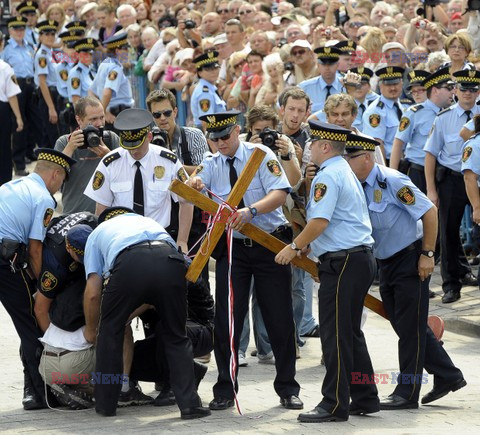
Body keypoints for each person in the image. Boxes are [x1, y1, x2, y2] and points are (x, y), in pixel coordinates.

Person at [187, 110, 303, 412]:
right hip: (232, 249)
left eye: (225, 137)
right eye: (214, 139)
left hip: (268, 245)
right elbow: (195, 183)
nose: (220, 143)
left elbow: (280, 193)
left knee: (279, 318)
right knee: (227, 319)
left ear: (237, 130)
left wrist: (250, 211)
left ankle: (288, 387)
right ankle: (225, 386)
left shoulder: (259, 154)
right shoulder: (212, 162)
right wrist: (196, 182)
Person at [345, 132, 467, 409]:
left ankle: (407, 393)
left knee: (410, 330)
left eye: (349, 157)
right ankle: (448, 375)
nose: (345, 162)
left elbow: (429, 212)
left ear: (366, 158)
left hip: (410, 259)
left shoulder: (393, 180)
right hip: (385, 262)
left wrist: (427, 254)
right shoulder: (355, 183)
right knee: (404, 325)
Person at [275, 121, 379, 423]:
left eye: (312, 143)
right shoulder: (341, 170)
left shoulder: (328, 175)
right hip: (355, 258)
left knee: (335, 336)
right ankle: (365, 395)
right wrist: (310, 246)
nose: (307, 148)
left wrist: (294, 247)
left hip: (345, 261)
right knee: (350, 333)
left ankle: (333, 403)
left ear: (324, 146)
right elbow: (330, 222)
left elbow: (319, 221)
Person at [83, 206, 211, 419]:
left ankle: (106, 404)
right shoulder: (148, 222)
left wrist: (92, 327)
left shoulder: (98, 233)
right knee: (177, 336)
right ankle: (190, 405)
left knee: (110, 332)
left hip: (130, 263)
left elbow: (93, 291)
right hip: (169, 260)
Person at [0, 148, 75, 410]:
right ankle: (41, 393)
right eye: (62, 181)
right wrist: (44, 286)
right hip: (5, 262)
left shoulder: (12, 185)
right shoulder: (43, 198)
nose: (59, 187)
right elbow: (35, 250)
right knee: (32, 322)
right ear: (55, 174)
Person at [83, 108, 193, 253]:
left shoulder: (168, 161)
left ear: (149, 137)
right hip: (121, 241)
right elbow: (101, 209)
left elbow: (186, 201)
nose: (134, 151)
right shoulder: (110, 163)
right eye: (129, 146)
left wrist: (182, 241)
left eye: (138, 146)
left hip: (158, 241)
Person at [424, 69, 480, 303]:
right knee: (447, 231)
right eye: (463, 89)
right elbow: (430, 154)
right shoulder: (444, 118)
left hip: (477, 179)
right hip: (452, 178)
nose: (468, 93)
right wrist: (431, 189)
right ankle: (451, 284)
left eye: (473, 89)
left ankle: (469, 272)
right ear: (455, 91)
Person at [390, 68, 455, 193]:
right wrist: (393, 177)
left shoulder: (448, 112)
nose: (417, 94)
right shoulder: (414, 112)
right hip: (418, 171)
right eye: (414, 91)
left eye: (421, 90)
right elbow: (398, 144)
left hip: (442, 172)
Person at [54, 96, 120, 214]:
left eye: (102, 117)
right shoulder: (64, 142)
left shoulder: (111, 139)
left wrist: (109, 156)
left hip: (107, 216)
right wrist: (70, 148)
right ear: (79, 120)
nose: (99, 123)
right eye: (93, 119)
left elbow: (126, 173)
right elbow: (54, 179)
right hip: (74, 216)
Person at [2, 16, 39, 177]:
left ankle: (29, 151)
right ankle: (18, 162)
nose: (19, 32)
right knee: (19, 125)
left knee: (34, 122)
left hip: (31, 85)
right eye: (16, 29)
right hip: (15, 87)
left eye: (22, 29)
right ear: (10, 31)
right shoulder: (6, 49)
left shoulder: (29, 46)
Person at [362, 66, 406, 164]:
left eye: (395, 84)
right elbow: (377, 145)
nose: (393, 88)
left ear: (401, 84)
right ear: (381, 87)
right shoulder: (375, 112)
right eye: (388, 85)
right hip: (387, 162)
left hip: (403, 162)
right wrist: (384, 172)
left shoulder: (401, 106)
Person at [90, 32, 134, 127]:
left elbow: (91, 91)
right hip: (118, 115)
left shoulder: (104, 64)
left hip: (113, 113)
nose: (127, 52)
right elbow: (107, 93)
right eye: (125, 49)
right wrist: (103, 113)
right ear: (118, 51)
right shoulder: (115, 68)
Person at [34, 19, 62, 148]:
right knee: (54, 136)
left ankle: (42, 166)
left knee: (48, 136)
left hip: (55, 95)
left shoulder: (52, 53)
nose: (50, 37)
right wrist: (51, 108)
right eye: (46, 34)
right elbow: (42, 82)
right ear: (40, 37)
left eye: (52, 34)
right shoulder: (42, 55)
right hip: (48, 96)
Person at [298, 46, 343, 113]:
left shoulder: (345, 86)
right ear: (318, 65)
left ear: (337, 65)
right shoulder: (305, 87)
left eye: (331, 64)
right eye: (324, 64)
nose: (327, 68)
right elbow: (281, 105)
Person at [0, 53, 23, 185]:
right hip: (2, 109)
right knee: (3, 148)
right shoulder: (4, 67)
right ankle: (3, 184)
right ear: (2, 45)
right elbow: (11, 95)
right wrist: (18, 117)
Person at [190, 50, 227, 129]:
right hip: (209, 132)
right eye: (208, 69)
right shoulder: (204, 92)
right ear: (199, 73)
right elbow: (206, 121)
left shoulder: (211, 88)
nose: (213, 71)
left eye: (215, 67)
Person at [67, 37, 99, 104]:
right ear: (78, 55)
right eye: (85, 54)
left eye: (90, 54)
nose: (88, 57)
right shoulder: (75, 73)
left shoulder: (93, 70)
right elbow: (76, 100)